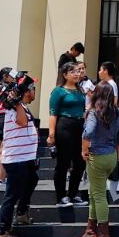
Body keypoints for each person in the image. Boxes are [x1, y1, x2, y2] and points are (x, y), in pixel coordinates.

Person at [77, 81, 119, 237]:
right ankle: (90, 231)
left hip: (96, 156)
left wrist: (84, 149)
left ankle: (104, 234)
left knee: (98, 195)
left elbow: (88, 132)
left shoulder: (94, 112)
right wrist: (117, 159)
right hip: (111, 156)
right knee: (93, 193)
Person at [0, 73, 40, 237]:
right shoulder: (14, 107)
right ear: (27, 92)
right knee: (11, 195)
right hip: (16, 159)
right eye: (33, 89)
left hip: (25, 157)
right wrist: (16, 102)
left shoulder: (21, 105)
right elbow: (21, 122)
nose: (34, 91)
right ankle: (3, 232)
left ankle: (21, 214)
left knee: (32, 180)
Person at [48, 60, 88, 207]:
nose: (77, 74)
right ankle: (61, 197)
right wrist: (51, 134)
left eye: (78, 71)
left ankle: (72, 194)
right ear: (65, 74)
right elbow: (53, 113)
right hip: (65, 126)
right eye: (73, 71)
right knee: (63, 163)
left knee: (80, 163)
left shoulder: (80, 90)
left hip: (79, 126)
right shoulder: (58, 91)